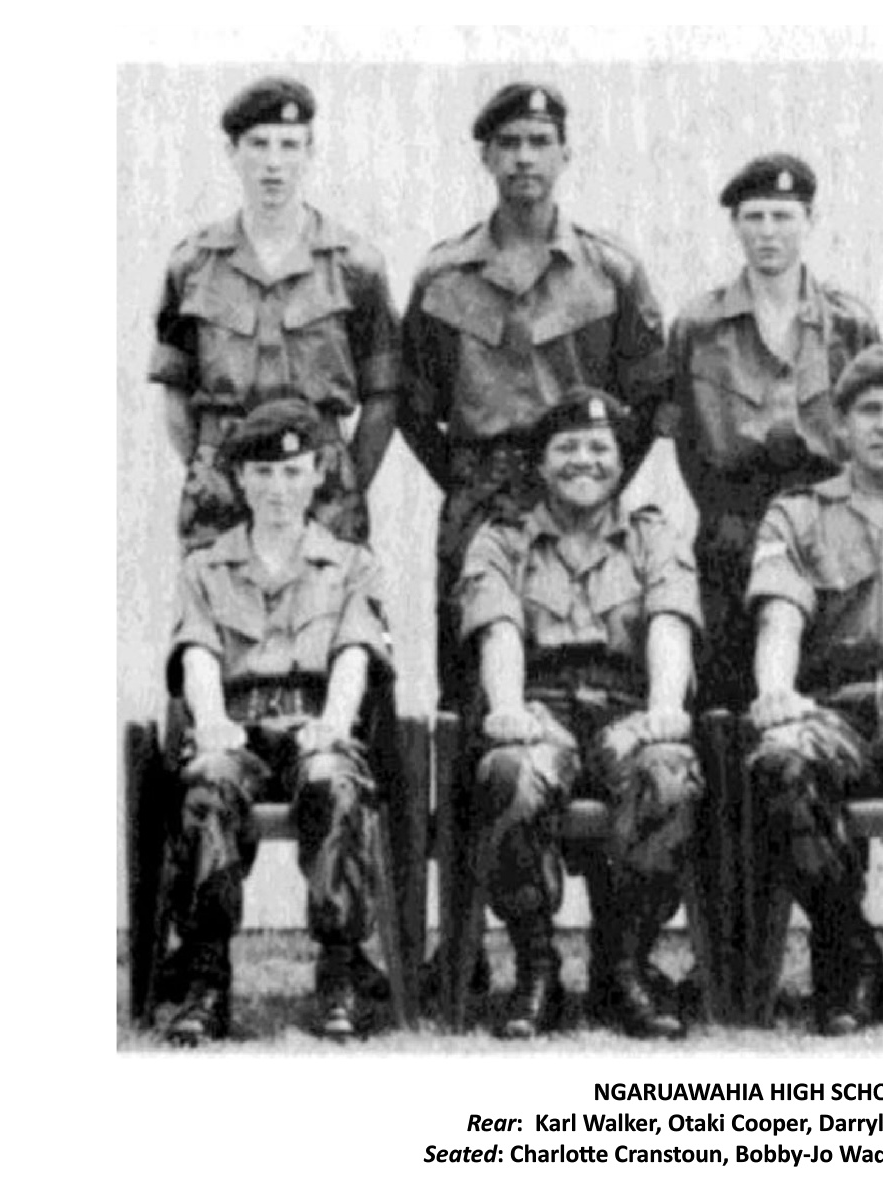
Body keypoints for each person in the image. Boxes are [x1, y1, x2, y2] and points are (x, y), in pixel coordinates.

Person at [400, 82, 669, 710]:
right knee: (473, 683)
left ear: (565, 154)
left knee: (596, 671)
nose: (525, 157)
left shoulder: (610, 271)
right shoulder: (443, 276)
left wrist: (600, 478)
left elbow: (652, 398)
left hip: (583, 497)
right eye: (509, 143)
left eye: (540, 142)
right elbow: (412, 407)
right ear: (486, 157)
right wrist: (468, 479)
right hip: (480, 500)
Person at [455, 388, 704, 1038]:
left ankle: (624, 967)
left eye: (599, 448)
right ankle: (536, 969)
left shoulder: (653, 536)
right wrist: (507, 709)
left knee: (669, 773)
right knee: (510, 772)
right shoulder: (500, 539)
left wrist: (665, 707)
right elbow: (498, 630)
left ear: (622, 462)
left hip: (627, 706)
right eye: (566, 448)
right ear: (540, 464)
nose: (584, 460)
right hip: (542, 706)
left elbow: (670, 622)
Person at [159, 399, 394, 1045]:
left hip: (314, 717)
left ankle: (339, 970)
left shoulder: (353, 563)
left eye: (292, 472)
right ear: (239, 480)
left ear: (318, 474)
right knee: (208, 779)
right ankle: (207, 976)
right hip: (236, 722)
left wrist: (335, 723)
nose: (278, 489)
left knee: (333, 780)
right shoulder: (205, 565)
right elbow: (198, 652)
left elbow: (354, 652)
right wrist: (211, 720)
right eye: (262, 473)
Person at [665, 152, 879, 711]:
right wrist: (724, 514)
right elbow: (686, 440)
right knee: (726, 697)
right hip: (731, 531)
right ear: (735, 225)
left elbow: (867, 422)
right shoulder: (698, 327)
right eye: (754, 217)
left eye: (782, 216)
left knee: (821, 685)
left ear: (809, 221)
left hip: (822, 531)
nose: (767, 232)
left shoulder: (849, 324)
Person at [148, 76, 400, 552]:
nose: (273, 163)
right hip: (223, 483)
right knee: (217, 597)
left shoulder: (355, 265)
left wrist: (342, 480)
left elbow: (383, 395)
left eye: (289, 145)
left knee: (330, 598)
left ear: (310, 151)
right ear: (232, 152)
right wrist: (210, 468)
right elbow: (174, 388)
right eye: (258, 144)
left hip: (321, 482)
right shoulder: (193, 265)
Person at [746, 342, 883, 1034]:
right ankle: (850, 950)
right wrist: (776, 691)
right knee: (782, 761)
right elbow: (780, 616)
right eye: (872, 410)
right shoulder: (797, 514)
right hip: (842, 710)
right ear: (842, 428)